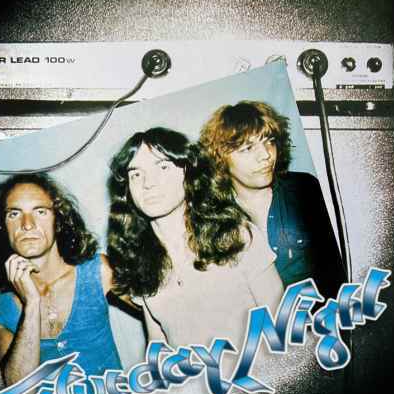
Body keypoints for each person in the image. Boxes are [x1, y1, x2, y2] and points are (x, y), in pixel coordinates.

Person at [107, 127, 283, 352]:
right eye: (136, 174)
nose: (148, 183)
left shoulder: (235, 236)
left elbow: (283, 321)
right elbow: (158, 344)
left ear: (188, 172)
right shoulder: (140, 262)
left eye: (163, 167)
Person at [0, 173, 122, 385]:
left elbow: (159, 306)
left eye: (40, 212)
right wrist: (32, 304)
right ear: (3, 227)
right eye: (14, 214)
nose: (27, 224)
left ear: (58, 221)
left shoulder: (98, 270)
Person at [199, 101, 346, 298]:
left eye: (269, 141)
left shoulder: (305, 190)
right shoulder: (213, 219)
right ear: (220, 159)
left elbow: (341, 269)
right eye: (247, 148)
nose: (266, 155)